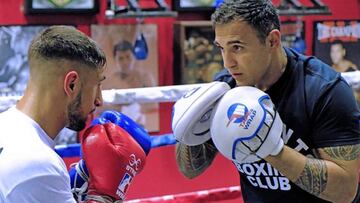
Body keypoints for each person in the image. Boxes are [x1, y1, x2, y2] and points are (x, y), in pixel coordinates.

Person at [174, 0, 360, 202]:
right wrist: (190, 130)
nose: (228, 62)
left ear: (272, 40)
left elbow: (346, 191)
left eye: (237, 47)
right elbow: (189, 171)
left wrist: (272, 149)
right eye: (221, 48)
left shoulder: (323, 90)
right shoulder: (227, 87)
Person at [0, 26, 148, 203]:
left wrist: (80, 178)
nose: (99, 100)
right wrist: (104, 197)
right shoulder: (38, 164)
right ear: (72, 84)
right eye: (97, 86)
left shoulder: (6, 126)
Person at [103, 40, 157, 128]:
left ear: (134, 58)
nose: (125, 62)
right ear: (115, 60)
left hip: (140, 126)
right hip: (117, 127)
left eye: (128, 57)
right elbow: (99, 109)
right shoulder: (109, 82)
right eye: (121, 58)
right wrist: (120, 107)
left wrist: (137, 105)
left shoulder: (145, 78)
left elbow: (154, 104)